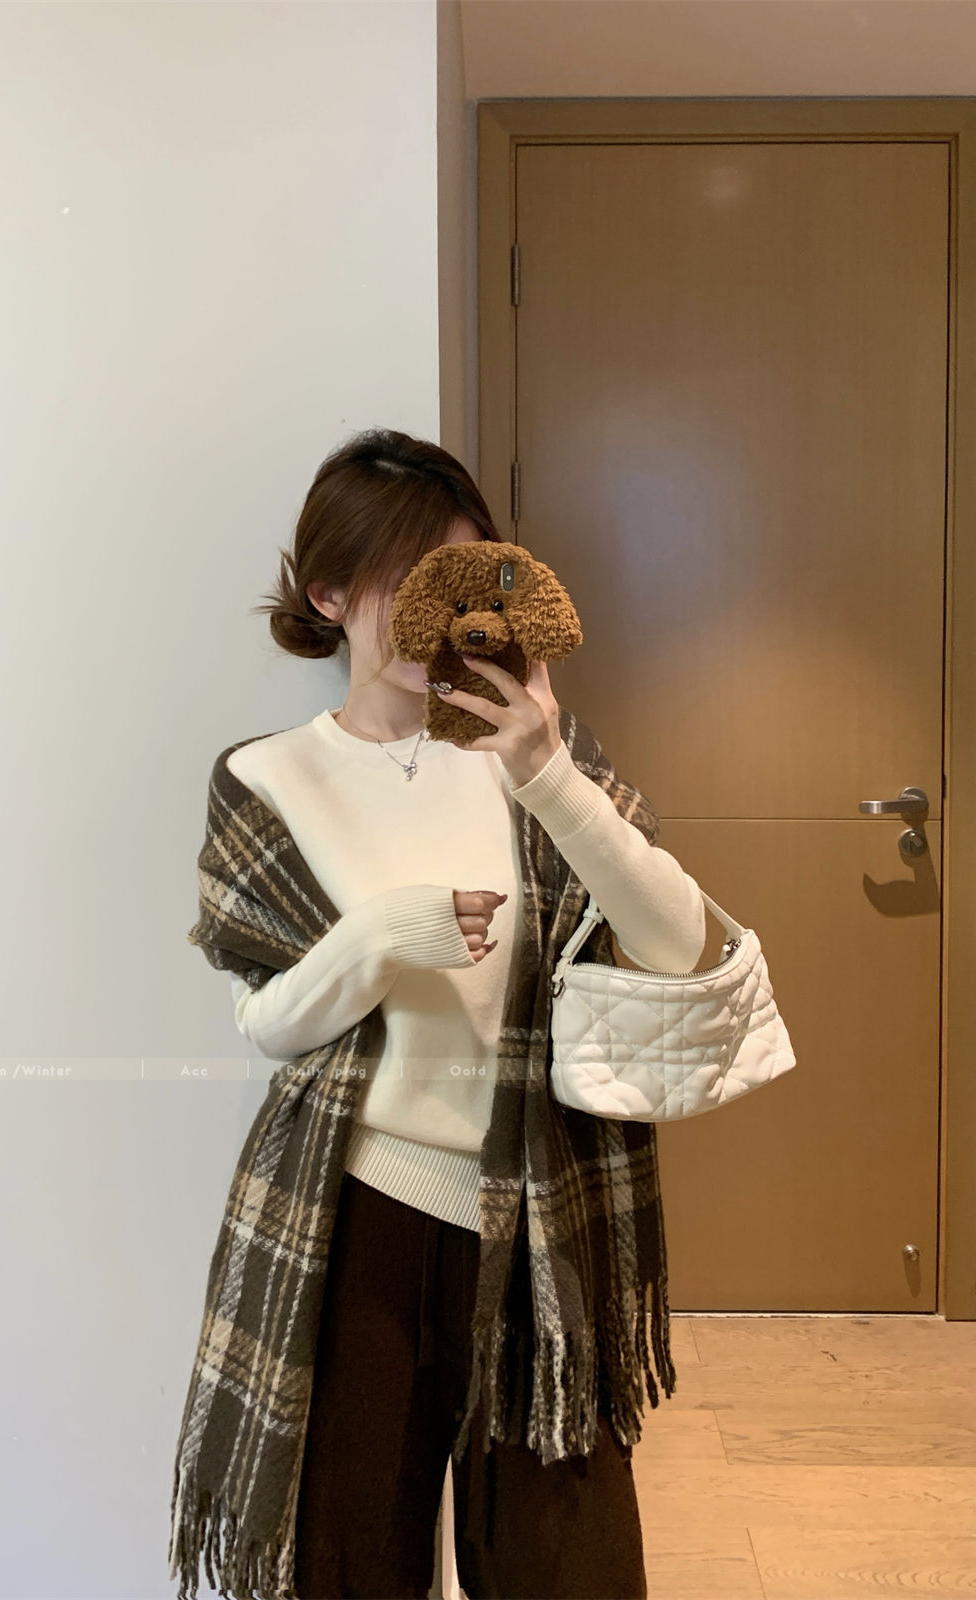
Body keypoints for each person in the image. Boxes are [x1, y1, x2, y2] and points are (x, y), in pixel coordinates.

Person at [205, 427, 708, 1599]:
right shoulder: (265, 777)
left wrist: (550, 775)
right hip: (357, 1220)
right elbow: (270, 1021)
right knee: (348, 1566)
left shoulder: (537, 758)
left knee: (570, 1570)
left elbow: (683, 945)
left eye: (466, 573)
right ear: (329, 594)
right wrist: (384, 934)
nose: (447, 607)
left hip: (540, 1217)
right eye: (407, 576)